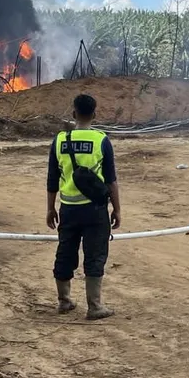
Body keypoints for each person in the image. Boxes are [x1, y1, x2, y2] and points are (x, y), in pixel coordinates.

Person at [46, 93, 121, 320]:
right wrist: (117, 209)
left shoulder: (59, 140)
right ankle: (95, 306)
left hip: (68, 209)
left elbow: (52, 179)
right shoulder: (101, 140)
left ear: (73, 114)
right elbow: (111, 180)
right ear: (94, 114)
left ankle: (64, 301)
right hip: (95, 210)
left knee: (65, 252)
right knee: (95, 254)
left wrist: (50, 208)